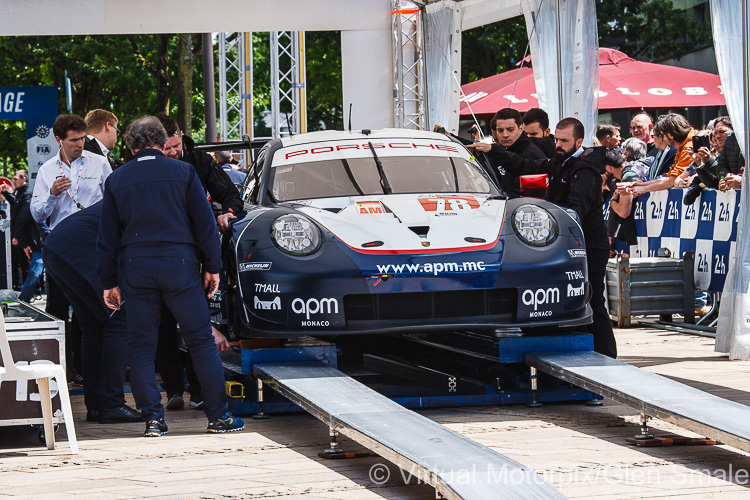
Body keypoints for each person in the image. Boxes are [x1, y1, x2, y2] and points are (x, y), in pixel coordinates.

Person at [97, 116, 243, 436]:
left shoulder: (117, 179)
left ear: (131, 146)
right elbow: (204, 225)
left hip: (135, 268)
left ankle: (153, 419)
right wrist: (213, 267)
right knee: (200, 341)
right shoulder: (184, 172)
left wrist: (108, 281)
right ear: (163, 143)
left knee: (141, 347)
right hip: (181, 266)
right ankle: (218, 417)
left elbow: (107, 237)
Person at [468, 118, 617, 358]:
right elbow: (525, 165)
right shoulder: (560, 161)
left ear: (578, 141)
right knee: (575, 298)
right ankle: (586, 350)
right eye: (556, 139)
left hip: (589, 244)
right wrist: (494, 149)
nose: (558, 144)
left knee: (591, 298)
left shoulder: (585, 170)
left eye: (564, 140)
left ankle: (606, 354)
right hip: (569, 243)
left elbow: (577, 209)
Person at [156, 113, 243, 411]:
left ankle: (199, 390)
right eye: (166, 148)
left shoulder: (199, 161)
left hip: (193, 254)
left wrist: (227, 212)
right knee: (163, 324)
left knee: (196, 322)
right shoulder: (147, 165)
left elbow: (230, 192)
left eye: (176, 146)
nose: (173, 153)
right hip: (160, 253)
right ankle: (172, 389)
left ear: (181, 135)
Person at [30, 114, 112, 382]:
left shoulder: (99, 163)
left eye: (83, 139)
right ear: (59, 140)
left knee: (90, 306)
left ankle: (89, 367)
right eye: (74, 140)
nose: (80, 144)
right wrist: (52, 194)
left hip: (94, 245)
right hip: (62, 249)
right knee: (58, 307)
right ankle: (65, 367)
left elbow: (113, 200)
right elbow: (37, 214)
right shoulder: (46, 170)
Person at [43, 201, 141, 424]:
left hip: (58, 245)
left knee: (93, 326)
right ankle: (111, 404)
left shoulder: (129, 190)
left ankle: (96, 405)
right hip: (78, 247)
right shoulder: (152, 201)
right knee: (119, 318)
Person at [619, 113, 696, 196]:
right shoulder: (682, 146)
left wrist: (642, 188)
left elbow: (672, 180)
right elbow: (670, 176)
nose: (662, 139)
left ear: (670, 135)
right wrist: (639, 185)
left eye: (663, 135)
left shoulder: (689, 146)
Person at [490, 108, 547, 195]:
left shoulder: (530, 154)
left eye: (510, 129)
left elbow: (523, 195)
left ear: (521, 129)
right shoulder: (504, 150)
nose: (505, 135)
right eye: (500, 130)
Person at [0, 169, 32, 289]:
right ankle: (19, 287)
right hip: (17, 233)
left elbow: (22, 217)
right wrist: (6, 193)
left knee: (26, 264)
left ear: (24, 179)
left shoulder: (26, 193)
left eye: (16, 179)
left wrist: (18, 236)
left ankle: (34, 292)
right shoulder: (19, 193)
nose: (13, 181)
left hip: (23, 235)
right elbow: (14, 204)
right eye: (13, 179)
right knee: (16, 263)